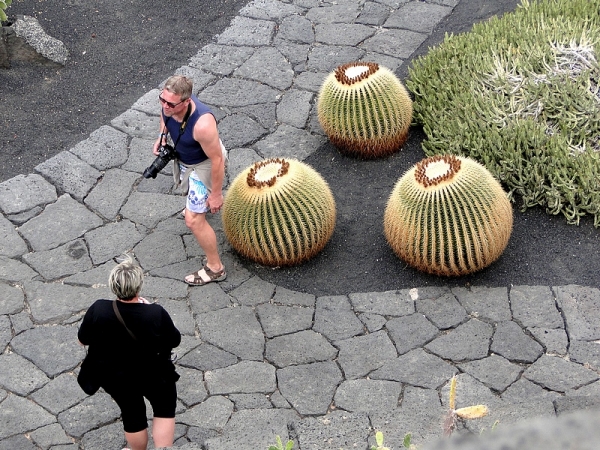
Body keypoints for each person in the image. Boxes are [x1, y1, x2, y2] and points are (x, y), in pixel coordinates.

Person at [78, 255, 181, 450]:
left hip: (116, 376)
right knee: (164, 409)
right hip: (155, 373)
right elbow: (174, 340)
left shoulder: (99, 309)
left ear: (113, 285)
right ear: (138, 286)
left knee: (132, 413)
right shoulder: (155, 313)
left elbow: (82, 339)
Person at [153, 75, 227, 286]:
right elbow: (164, 115)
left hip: (203, 166)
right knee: (193, 208)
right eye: (162, 100)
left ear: (186, 101)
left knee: (193, 220)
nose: (165, 106)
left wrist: (215, 194)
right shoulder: (169, 106)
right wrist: (161, 135)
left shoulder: (203, 124)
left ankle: (216, 268)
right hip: (186, 160)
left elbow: (217, 160)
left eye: (170, 104)